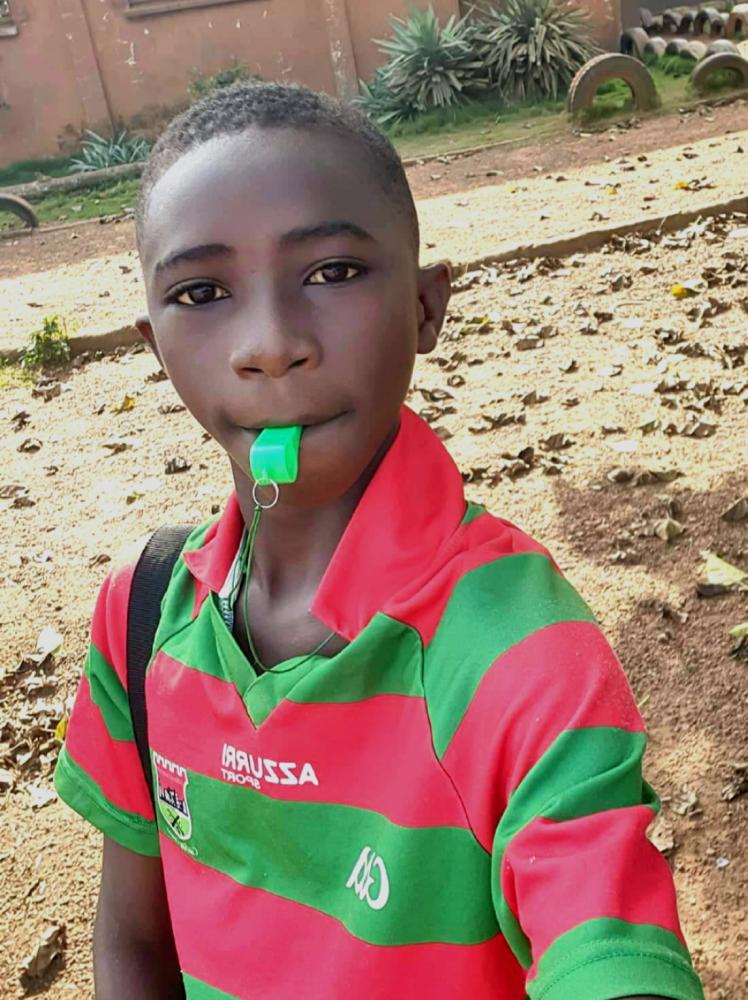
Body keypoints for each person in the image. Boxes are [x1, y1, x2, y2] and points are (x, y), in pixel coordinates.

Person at [54, 81, 704, 1000]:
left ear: (426, 307)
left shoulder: (519, 656)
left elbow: (609, 943)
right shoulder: (143, 610)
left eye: (332, 273)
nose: (270, 344)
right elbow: (132, 939)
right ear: (154, 348)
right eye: (201, 293)